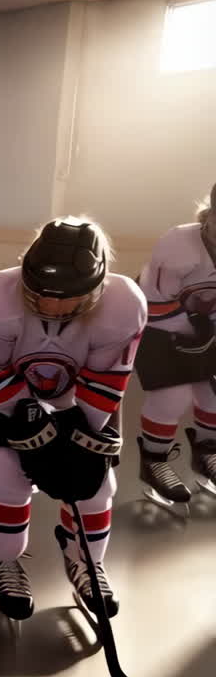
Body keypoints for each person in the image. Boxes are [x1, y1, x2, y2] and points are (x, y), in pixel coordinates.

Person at [0, 217, 144, 622]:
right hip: (15, 398)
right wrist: (34, 429)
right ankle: (5, 557)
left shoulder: (125, 303)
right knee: (6, 472)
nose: (50, 306)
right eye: (40, 294)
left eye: (65, 298)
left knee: (96, 482)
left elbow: (107, 379)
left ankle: (85, 560)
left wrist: (78, 438)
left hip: (84, 398)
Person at [133, 184, 216, 507]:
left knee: (213, 390)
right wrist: (197, 334)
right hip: (158, 323)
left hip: (204, 325)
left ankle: (208, 452)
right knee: (173, 394)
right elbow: (154, 303)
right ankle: (154, 460)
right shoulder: (178, 243)